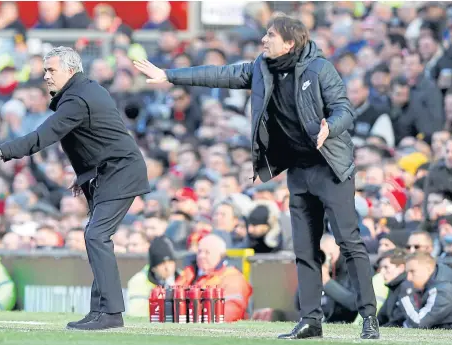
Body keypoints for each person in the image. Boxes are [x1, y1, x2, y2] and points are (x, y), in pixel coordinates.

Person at [135, 13, 379, 339]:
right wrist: (169, 75)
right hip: (299, 170)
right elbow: (221, 74)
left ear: (289, 43)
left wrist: (329, 127)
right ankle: (311, 321)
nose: (264, 40)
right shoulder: (261, 68)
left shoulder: (321, 69)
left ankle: (369, 318)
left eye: (271, 36)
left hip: (331, 167)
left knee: (349, 242)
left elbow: (344, 109)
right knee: (305, 249)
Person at [0, 46, 150, 330]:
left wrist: (1, 151)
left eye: (51, 70)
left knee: (96, 236)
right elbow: (99, 136)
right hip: (109, 172)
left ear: (71, 69)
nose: (46, 76)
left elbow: (42, 137)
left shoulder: (78, 98)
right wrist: (84, 175)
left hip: (120, 172)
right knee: (96, 237)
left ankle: (111, 314)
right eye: (45, 70)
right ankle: (100, 311)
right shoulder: (85, 91)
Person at [175, 234, 253, 322]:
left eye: (207, 252)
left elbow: (230, 312)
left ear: (220, 255)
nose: (201, 256)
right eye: (199, 251)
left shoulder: (233, 277)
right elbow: (171, 301)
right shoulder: (188, 274)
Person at [126, 236, 180, 317]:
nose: (167, 267)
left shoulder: (184, 277)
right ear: (153, 267)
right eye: (162, 263)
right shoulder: (138, 281)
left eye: (170, 262)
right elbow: (137, 315)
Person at [400, 253, 452, 329]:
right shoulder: (435, 282)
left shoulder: (444, 290)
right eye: (407, 273)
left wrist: (405, 296)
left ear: (428, 269)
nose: (408, 278)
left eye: (412, 271)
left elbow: (418, 323)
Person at [376, 249, 410, 327]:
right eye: (381, 268)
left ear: (401, 268)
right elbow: (381, 317)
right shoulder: (393, 286)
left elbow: (399, 321)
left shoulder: (406, 288)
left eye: (386, 267)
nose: (381, 272)